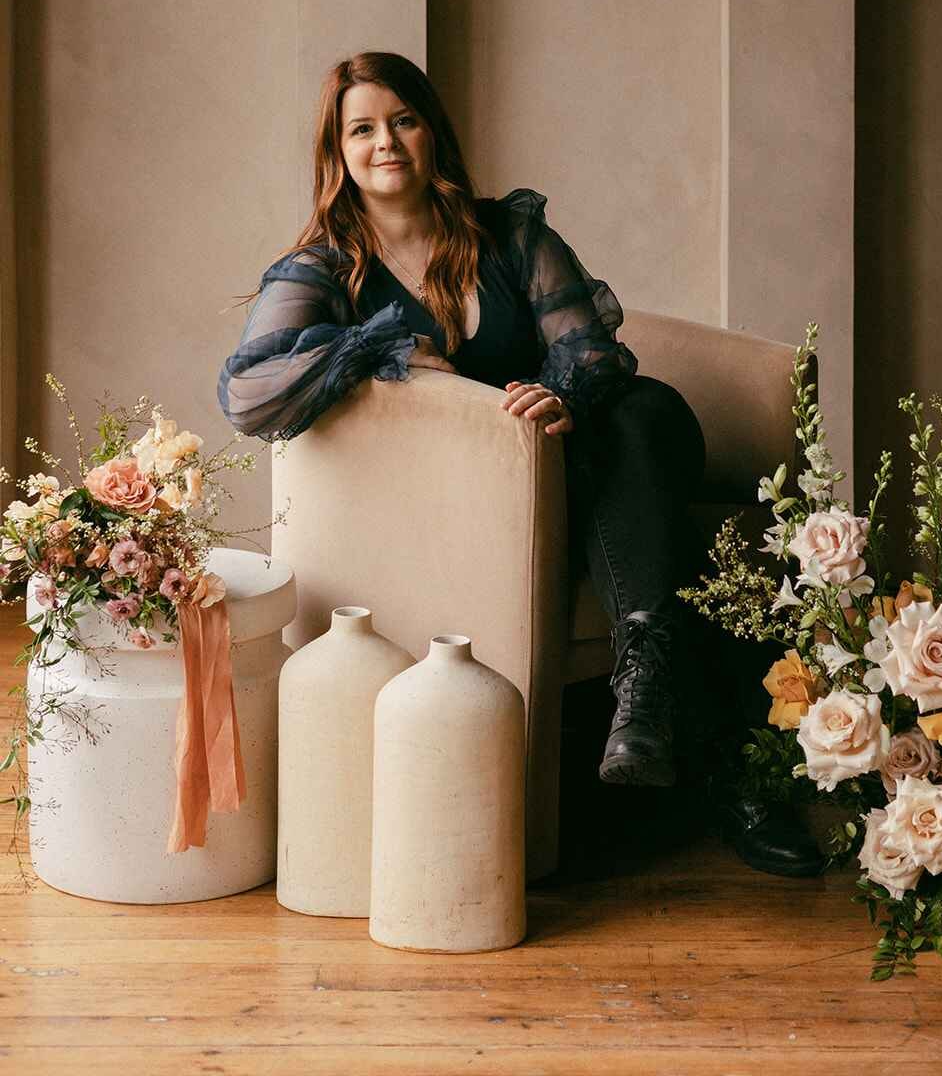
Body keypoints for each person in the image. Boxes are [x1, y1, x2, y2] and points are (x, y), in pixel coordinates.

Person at [218, 51, 822, 874]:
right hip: (470, 511)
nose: (385, 142)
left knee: (642, 410)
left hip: (583, 471)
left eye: (403, 119)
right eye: (362, 128)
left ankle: (641, 686)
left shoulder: (509, 232)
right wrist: (379, 345)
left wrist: (560, 397)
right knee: (649, 486)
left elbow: (596, 353)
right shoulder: (326, 270)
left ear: (433, 132)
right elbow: (249, 391)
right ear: (338, 152)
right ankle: (722, 766)